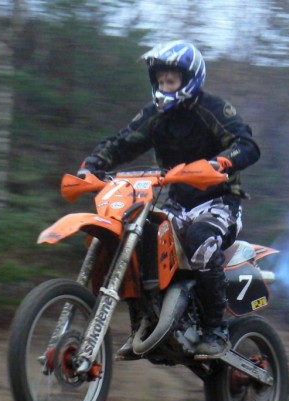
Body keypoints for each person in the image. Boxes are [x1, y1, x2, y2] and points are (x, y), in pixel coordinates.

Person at [78, 40, 260, 357]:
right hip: (176, 204)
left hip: (219, 203)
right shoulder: (155, 115)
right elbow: (122, 142)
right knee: (138, 239)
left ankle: (216, 329)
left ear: (189, 79)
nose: (164, 86)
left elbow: (247, 145)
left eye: (171, 80)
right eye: (160, 80)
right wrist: (92, 165)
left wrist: (220, 163)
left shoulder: (212, 109)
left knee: (200, 239)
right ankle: (145, 325)